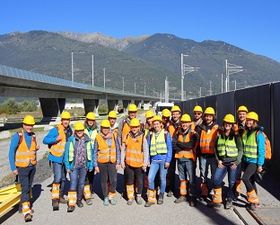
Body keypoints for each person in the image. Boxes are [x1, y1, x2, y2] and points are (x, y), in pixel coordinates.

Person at [9, 115, 39, 222]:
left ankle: (22, 207)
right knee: (25, 188)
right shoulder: (18, 136)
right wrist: (13, 168)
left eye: (31, 125)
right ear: (23, 125)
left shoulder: (33, 136)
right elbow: (11, 152)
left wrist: (36, 147)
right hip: (21, 167)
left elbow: (32, 148)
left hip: (32, 166)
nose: (29, 127)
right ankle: (27, 212)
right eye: (27, 125)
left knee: (28, 187)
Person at [210, 114, 243, 209]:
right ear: (224, 123)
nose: (228, 124)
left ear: (232, 125)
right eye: (226, 123)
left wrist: (236, 162)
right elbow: (215, 148)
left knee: (232, 182)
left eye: (230, 123)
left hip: (233, 163)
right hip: (222, 162)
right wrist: (218, 160)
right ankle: (217, 200)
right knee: (216, 180)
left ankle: (229, 200)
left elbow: (240, 150)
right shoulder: (219, 134)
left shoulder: (236, 136)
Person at [43, 111, 73, 211]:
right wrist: (56, 139)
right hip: (56, 157)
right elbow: (45, 140)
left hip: (65, 159)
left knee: (64, 179)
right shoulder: (56, 130)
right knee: (58, 178)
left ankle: (60, 196)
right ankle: (55, 198)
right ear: (62, 120)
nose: (66, 121)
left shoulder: (69, 130)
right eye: (64, 120)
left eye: (67, 120)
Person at [64, 122, 94, 212]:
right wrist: (67, 166)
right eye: (78, 130)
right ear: (75, 131)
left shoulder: (87, 140)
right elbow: (66, 154)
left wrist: (91, 164)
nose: (80, 132)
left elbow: (91, 153)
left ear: (83, 131)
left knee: (81, 184)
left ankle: (79, 200)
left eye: (81, 130)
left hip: (84, 166)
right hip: (74, 166)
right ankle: (71, 203)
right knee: (73, 183)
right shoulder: (71, 140)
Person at [145, 116, 173, 207]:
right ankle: (152, 197)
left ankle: (161, 195)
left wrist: (168, 160)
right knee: (150, 178)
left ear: (161, 124)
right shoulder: (150, 134)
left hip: (163, 159)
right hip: (154, 160)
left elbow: (170, 148)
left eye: (158, 123)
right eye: (154, 124)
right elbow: (148, 148)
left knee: (162, 178)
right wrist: (148, 160)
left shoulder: (166, 133)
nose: (156, 125)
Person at [121, 118, 149, 205]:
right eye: (133, 127)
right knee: (129, 181)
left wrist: (145, 163)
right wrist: (122, 161)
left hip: (139, 164)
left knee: (139, 181)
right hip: (129, 164)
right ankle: (130, 197)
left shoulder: (142, 137)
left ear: (139, 127)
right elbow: (123, 149)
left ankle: (139, 196)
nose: (134, 128)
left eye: (136, 127)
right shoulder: (127, 136)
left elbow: (146, 151)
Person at [173, 114, 198, 206]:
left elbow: (190, 145)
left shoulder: (193, 134)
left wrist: (180, 144)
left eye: (186, 122)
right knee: (182, 178)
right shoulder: (177, 132)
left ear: (189, 123)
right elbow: (174, 144)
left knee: (192, 179)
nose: (184, 124)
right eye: (183, 122)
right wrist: (182, 146)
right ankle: (183, 195)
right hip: (180, 158)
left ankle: (192, 197)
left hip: (189, 159)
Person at [241, 112, 265, 210]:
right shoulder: (246, 132)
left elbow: (261, 150)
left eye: (250, 120)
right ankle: (254, 202)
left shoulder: (259, 134)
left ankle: (253, 200)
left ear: (255, 122)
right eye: (247, 120)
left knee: (245, 178)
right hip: (246, 160)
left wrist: (260, 164)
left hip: (254, 161)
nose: (248, 122)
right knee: (251, 180)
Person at [94, 120, 121, 206]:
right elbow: (94, 151)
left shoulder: (114, 136)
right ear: (101, 128)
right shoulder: (97, 137)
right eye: (103, 128)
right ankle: (105, 197)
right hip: (102, 163)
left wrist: (119, 162)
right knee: (104, 181)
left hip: (112, 162)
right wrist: (95, 165)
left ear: (109, 128)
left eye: (106, 128)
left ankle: (111, 196)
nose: (105, 129)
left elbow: (117, 149)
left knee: (113, 180)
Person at [196, 107, 219, 199]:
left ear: (213, 117)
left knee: (214, 174)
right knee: (203, 173)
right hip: (203, 155)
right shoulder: (201, 127)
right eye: (206, 116)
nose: (208, 118)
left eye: (210, 116)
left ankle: (214, 190)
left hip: (213, 156)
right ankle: (204, 191)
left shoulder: (217, 128)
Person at [83, 112, 98, 205]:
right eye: (89, 120)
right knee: (85, 176)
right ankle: (86, 193)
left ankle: (90, 190)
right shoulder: (83, 129)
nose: (90, 122)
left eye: (92, 120)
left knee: (91, 174)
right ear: (87, 120)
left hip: (93, 154)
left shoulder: (97, 130)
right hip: (84, 154)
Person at [166, 105, 181, 197]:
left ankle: (182, 189)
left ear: (179, 114)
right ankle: (171, 188)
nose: (175, 115)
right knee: (170, 170)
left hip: (180, 150)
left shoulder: (183, 123)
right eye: (173, 114)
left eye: (176, 114)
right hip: (171, 149)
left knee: (181, 170)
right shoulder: (169, 124)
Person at [234, 105, 248, 198]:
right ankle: (237, 192)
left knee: (248, 177)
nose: (241, 115)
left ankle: (250, 194)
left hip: (248, 154)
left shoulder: (250, 125)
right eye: (240, 114)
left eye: (243, 114)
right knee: (237, 174)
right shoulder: (235, 125)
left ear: (246, 115)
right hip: (238, 153)